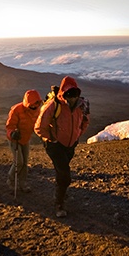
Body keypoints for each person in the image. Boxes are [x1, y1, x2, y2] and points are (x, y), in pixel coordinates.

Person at [34, 76, 90, 217]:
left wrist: (77, 136)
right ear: (63, 93)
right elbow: (39, 127)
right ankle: (58, 204)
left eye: (75, 94)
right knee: (65, 175)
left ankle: (61, 194)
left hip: (70, 145)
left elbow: (85, 122)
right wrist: (52, 140)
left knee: (62, 171)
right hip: (55, 145)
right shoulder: (54, 105)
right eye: (69, 95)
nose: (72, 98)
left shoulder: (81, 105)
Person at [5, 89, 43, 193]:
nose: (34, 106)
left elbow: (38, 125)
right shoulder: (16, 110)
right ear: (27, 102)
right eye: (33, 104)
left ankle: (22, 183)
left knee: (25, 162)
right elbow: (10, 126)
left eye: (36, 103)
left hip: (26, 139)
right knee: (19, 161)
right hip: (14, 139)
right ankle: (11, 180)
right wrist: (12, 133)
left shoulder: (38, 111)